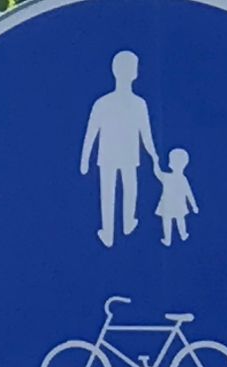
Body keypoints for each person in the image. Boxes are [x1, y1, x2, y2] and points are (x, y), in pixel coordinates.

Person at [80, 50, 159, 247]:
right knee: (124, 189)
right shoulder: (135, 104)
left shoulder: (107, 103)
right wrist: (154, 156)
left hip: (116, 156)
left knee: (113, 192)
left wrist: (85, 160)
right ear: (134, 73)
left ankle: (114, 229)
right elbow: (92, 133)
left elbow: (145, 134)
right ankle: (123, 225)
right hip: (119, 156)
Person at [154, 147, 198, 245]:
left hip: (168, 204)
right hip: (178, 205)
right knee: (180, 219)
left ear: (171, 163)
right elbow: (189, 194)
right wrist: (194, 206)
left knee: (167, 221)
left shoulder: (167, 177)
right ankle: (183, 234)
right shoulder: (182, 179)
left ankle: (168, 239)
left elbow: (158, 173)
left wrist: (155, 162)